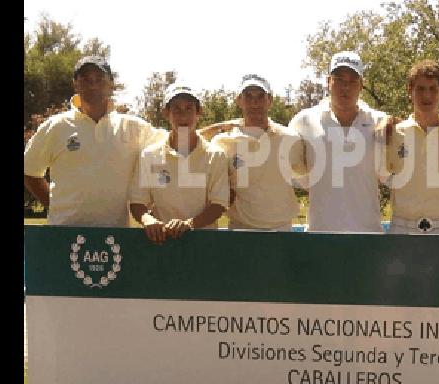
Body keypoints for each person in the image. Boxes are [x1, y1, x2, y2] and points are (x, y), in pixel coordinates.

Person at [24, 55, 165, 227]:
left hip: (114, 236)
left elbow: (175, 141)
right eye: (86, 79)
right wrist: (53, 205)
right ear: (75, 84)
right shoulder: (56, 126)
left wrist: (205, 130)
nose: (93, 84)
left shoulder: (133, 128)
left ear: (111, 84)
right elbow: (29, 171)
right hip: (63, 233)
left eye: (100, 79)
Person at [288, 51, 390, 233]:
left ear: (361, 85)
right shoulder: (303, 121)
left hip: (368, 235)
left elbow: (388, 173)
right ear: (328, 82)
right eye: (339, 80)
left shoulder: (380, 122)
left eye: (352, 80)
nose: (346, 87)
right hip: (320, 235)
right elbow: (298, 176)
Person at [127, 83, 230, 244]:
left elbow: (219, 205)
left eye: (189, 108)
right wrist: (148, 220)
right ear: (166, 113)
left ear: (199, 112)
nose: (183, 116)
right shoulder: (149, 155)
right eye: (176, 109)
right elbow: (137, 202)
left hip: (204, 244)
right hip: (161, 243)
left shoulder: (215, 155)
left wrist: (189, 224)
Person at [203, 74, 308, 231]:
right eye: (248, 97)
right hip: (240, 230)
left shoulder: (290, 138)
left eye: (260, 96)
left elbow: (307, 177)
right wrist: (218, 126)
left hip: (282, 231)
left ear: (270, 100)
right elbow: (184, 140)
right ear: (239, 100)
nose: (254, 103)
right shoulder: (223, 142)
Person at [384, 60, 439, 235]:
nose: (427, 96)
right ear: (410, 91)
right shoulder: (392, 134)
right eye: (420, 89)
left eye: (433, 89)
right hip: (402, 229)